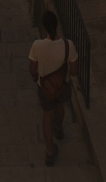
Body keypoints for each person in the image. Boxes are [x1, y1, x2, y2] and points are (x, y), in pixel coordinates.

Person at [28, 10, 78, 166]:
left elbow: (32, 68)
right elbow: (75, 72)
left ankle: (50, 152)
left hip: (45, 88)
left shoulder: (38, 46)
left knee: (47, 116)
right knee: (60, 106)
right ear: (56, 26)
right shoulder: (68, 45)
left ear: (44, 27)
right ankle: (59, 129)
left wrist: (36, 76)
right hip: (62, 85)